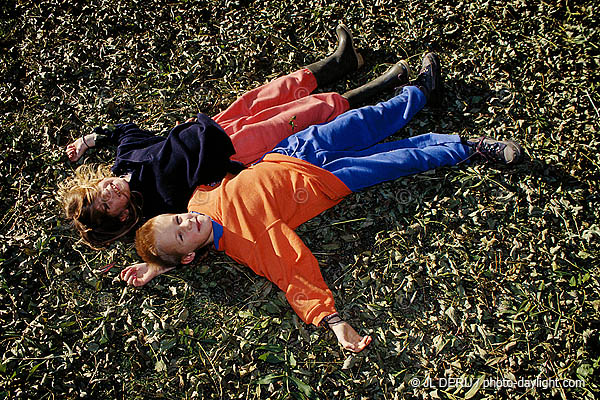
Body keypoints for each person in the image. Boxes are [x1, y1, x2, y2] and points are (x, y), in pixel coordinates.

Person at [123, 53, 523, 353]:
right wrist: (331, 321)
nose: (187, 222)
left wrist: (156, 262)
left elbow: (179, 169)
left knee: (366, 120)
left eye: (176, 218)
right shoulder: (248, 243)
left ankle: (419, 93)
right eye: (181, 234)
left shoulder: (199, 196)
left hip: (296, 150)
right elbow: (292, 273)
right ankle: (466, 148)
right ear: (191, 255)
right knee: (395, 160)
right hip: (328, 182)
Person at [59, 24, 412, 248]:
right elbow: (178, 243)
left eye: (99, 191)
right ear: (121, 216)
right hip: (233, 151)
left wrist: (90, 140)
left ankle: (342, 62)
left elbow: (126, 131)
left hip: (215, 124)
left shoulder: (124, 159)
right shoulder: (156, 209)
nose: (108, 192)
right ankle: (383, 87)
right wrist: (151, 267)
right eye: (107, 204)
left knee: (278, 91)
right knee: (301, 115)